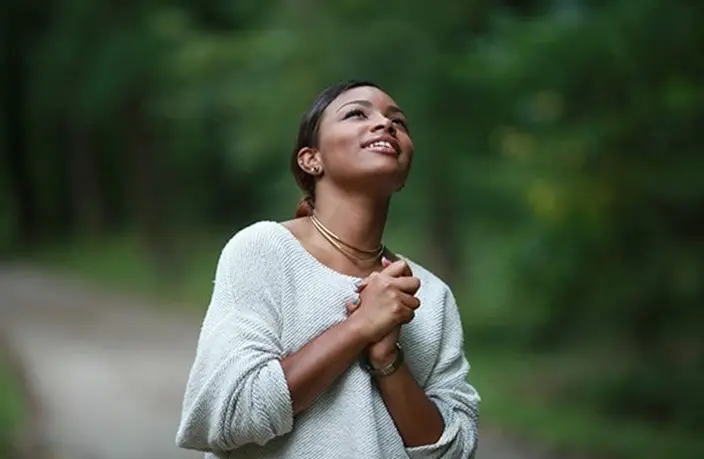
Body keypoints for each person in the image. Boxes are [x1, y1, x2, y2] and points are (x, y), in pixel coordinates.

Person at [175, 80, 480, 458]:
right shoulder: (264, 251)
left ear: (404, 173)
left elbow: (455, 451)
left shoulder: (429, 295)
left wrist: (388, 360)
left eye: (398, 122)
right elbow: (227, 415)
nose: (386, 125)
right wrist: (358, 327)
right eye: (356, 114)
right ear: (311, 159)